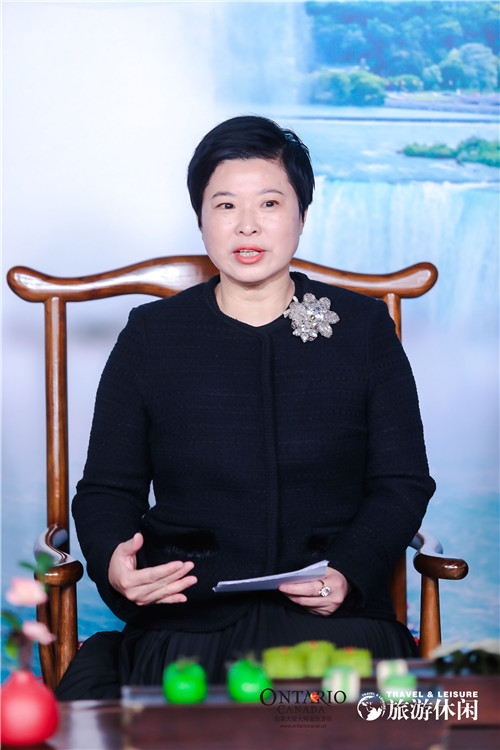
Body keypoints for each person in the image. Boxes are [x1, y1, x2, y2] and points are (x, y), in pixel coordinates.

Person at [56, 115, 435, 700]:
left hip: (334, 617)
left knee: (324, 718)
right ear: (201, 219)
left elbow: (402, 481)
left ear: (302, 216)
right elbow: (107, 489)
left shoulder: (362, 328)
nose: (247, 224)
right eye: (226, 205)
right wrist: (114, 563)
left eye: (270, 203)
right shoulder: (152, 335)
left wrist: (347, 570)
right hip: (188, 617)